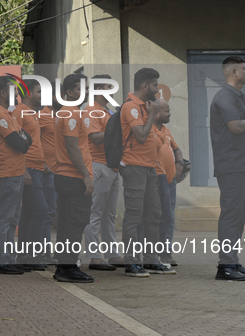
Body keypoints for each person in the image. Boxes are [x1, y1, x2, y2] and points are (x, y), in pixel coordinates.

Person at [119, 69, 175, 277]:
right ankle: (132, 262)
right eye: (154, 86)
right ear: (144, 86)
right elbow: (141, 137)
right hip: (134, 167)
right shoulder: (131, 107)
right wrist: (152, 115)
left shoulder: (145, 107)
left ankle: (151, 260)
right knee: (134, 215)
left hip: (150, 168)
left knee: (154, 214)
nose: (157, 90)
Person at [210, 56, 245, 281]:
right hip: (231, 166)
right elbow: (236, 128)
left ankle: (233, 260)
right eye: (244, 69)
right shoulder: (224, 98)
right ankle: (225, 265)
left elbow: (244, 137)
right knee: (231, 214)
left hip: (242, 166)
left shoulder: (236, 97)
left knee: (238, 216)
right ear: (233, 72)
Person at [52, 74, 94, 283]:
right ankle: (67, 268)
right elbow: (72, 147)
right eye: (80, 89)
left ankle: (65, 267)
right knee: (74, 224)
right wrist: (86, 176)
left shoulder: (66, 112)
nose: (85, 93)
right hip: (73, 177)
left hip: (67, 176)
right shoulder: (71, 113)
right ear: (69, 92)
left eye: (86, 89)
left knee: (68, 223)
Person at [0, 76, 31, 275]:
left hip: (16, 171)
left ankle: (8, 258)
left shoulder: (9, 114)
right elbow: (21, 143)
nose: (17, 94)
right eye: (13, 90)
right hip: (7, 172)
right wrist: (23, 139)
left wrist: (23, 139)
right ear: (4, 93)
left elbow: (26, 138)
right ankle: (0, 260)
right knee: (5, 217)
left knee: (12, 217)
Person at [83, 75, 124, 271]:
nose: (112, 91)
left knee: (109, 214)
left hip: (112, 166)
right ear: (97, 89)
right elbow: (94, 138)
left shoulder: (107, 111)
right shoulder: (91, 110)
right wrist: (116, 131)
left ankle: (113, 254)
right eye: (109, 87)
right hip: (98, 165)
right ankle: (95, 257)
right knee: (95, 213)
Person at [12, 79, 47, 270]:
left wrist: (45, 163)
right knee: (40, 210)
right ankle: (32, 257)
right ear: (29, 93)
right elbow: (15, 143)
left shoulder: (32, 113)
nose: (42, 95)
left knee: (29, 213)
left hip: (38, 169)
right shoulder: (19, 112)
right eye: (39, 91)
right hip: (29, 169)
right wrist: (24, 170)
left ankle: (24, 257)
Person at [153, 99, 185, 266]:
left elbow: (176, 149)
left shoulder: (166, 130)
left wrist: (179, 163)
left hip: (170, 180)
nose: (170, 113)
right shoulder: (148, 129)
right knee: (158, 216)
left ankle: (166, 253)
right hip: (156, 180)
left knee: (170, 217)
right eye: (167, 111)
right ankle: (153, 254)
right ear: (156, 113)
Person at [37, 82, 62, 265]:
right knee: (46, 213)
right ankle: (43, 253)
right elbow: (33, 140)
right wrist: (43, 163)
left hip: (63, 172)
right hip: (48, 172)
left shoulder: (62, 115)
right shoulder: (42, 115)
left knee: (56, 213)